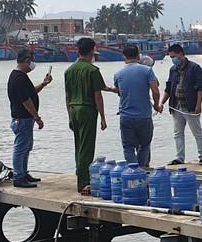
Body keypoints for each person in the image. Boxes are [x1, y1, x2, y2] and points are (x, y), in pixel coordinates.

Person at [64, 37, 108, 195]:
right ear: (92, 51)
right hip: (87, 110)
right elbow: (98, 96)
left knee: (78, 145)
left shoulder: (69, 70)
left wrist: (69, 115)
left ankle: (79, 173)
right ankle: (84, 182)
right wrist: (103, 117)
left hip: (74, 109)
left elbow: (67, 96)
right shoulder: (92, 70)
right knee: (87, 147)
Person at [6, 48, 53, 188]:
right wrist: (37, 117)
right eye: (32, 61)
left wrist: (44, 84)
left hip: (25, 119)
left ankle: (24, 172)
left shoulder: (20, 76)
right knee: (20, 147)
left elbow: (31, 92)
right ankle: (18, 177)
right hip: (22, 118)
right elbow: (26, 101)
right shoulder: (18, 78)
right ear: (27, 61)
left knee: (26, 147)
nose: (33, 64)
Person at [112, 43, 162, 167]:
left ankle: (132, 172)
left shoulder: (118, 74)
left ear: (124, 57)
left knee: (128, 147)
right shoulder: (147, 71)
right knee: (144, 146)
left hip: (126, 116)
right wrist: (156, 105)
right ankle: (141, 172)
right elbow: (156, 91)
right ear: (138, 56)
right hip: (144, 115)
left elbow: (120, 92)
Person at [160, 43, 202, 166]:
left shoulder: (195, 68)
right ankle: (179, 157)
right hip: (176, 106)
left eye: (174, 57)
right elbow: (168, 87)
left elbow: (200, 88)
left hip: (190, 106)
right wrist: (161, 103)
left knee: (197, 132)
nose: (173, 59)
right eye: (171, 57)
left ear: (181, 54)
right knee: (178, 133)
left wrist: (198, 105)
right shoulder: (173, 70)